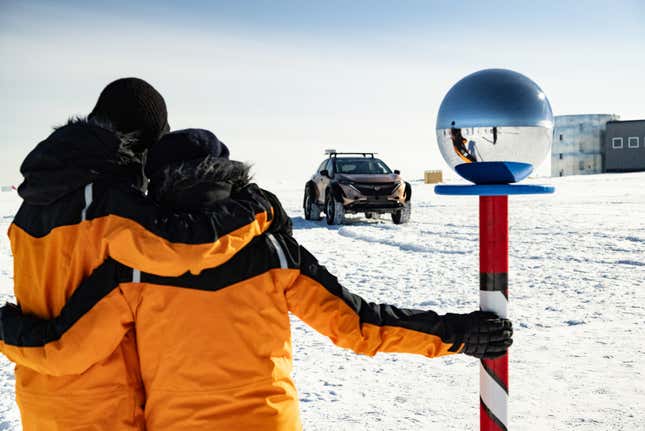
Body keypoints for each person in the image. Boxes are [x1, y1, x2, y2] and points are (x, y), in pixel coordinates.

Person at [2, 128, 513, 430]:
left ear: (155, 187)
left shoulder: (136, 266)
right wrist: (455, 334)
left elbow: (65, 351)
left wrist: (8, 327)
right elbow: (359, 326)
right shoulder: (271, 251)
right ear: (229, 175)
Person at [1, 79, 277, 430]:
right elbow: (184, 249)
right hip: (102, 405)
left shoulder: (33, 203)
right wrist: (256, 208)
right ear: (142, 141)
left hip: (40, 397)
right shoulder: (106, 201)